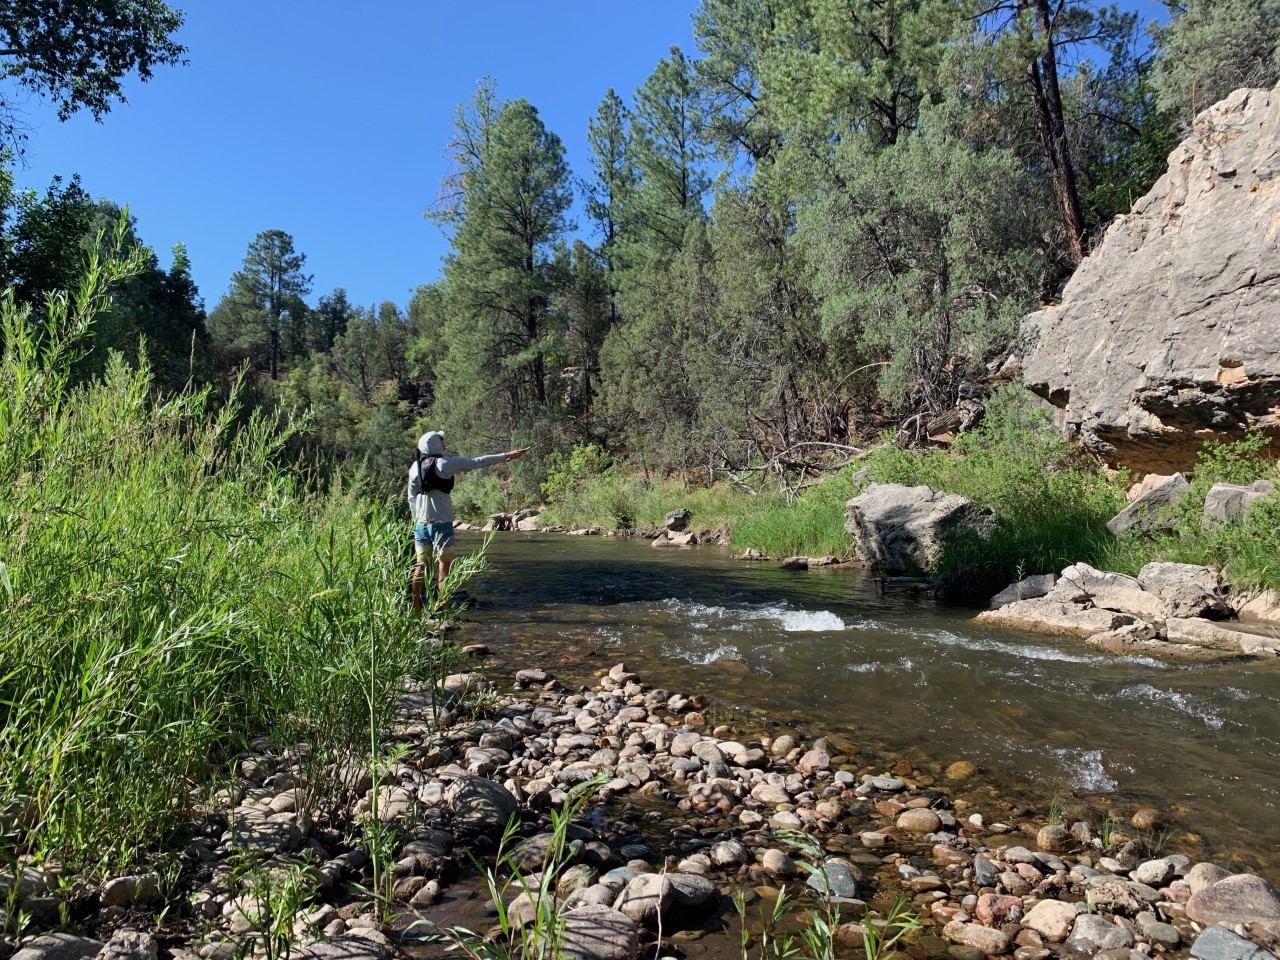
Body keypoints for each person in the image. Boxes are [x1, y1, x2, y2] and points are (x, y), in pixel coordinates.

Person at [408, 430, 526, 611]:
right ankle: (445, 609)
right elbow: (478, 462)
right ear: (436, 444)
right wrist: (506, 456)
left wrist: (417, 519)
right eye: (441, 440)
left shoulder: (414, 468)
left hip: (421, 526)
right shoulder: (446, 463)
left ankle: (415, 609)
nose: (444, 442)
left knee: (420, 565)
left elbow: (411, 499)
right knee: (443, 569)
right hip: (443, 525)